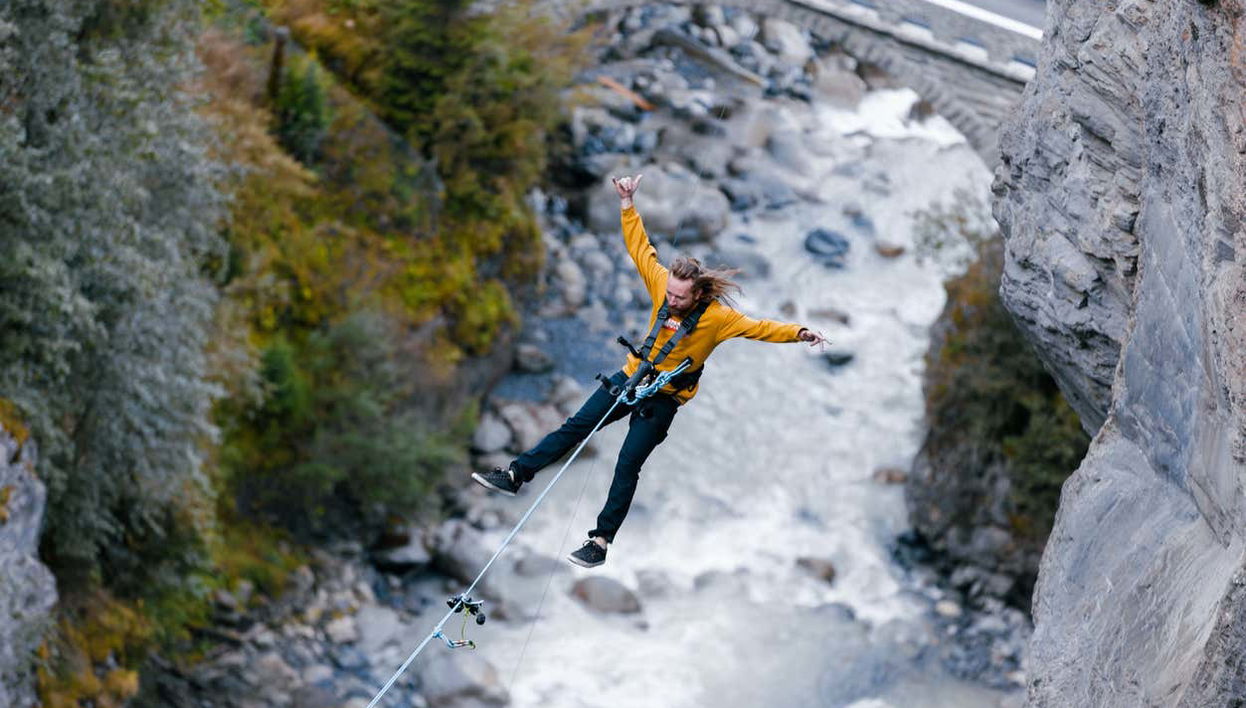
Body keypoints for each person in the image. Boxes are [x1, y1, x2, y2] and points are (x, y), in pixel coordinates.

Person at [473, 174, 827, 568]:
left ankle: (600, 541)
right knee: (575, 427)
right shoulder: (661, 284)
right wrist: (627, 203)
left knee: (628, 463)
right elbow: (639, 247)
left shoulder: (718, 319)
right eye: (670, 293)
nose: (671, 299)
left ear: (698, 294)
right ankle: (515, 475)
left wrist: (799, 333)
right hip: (631, 377)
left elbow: (759, 328)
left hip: (664, 397)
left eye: (680, 296)